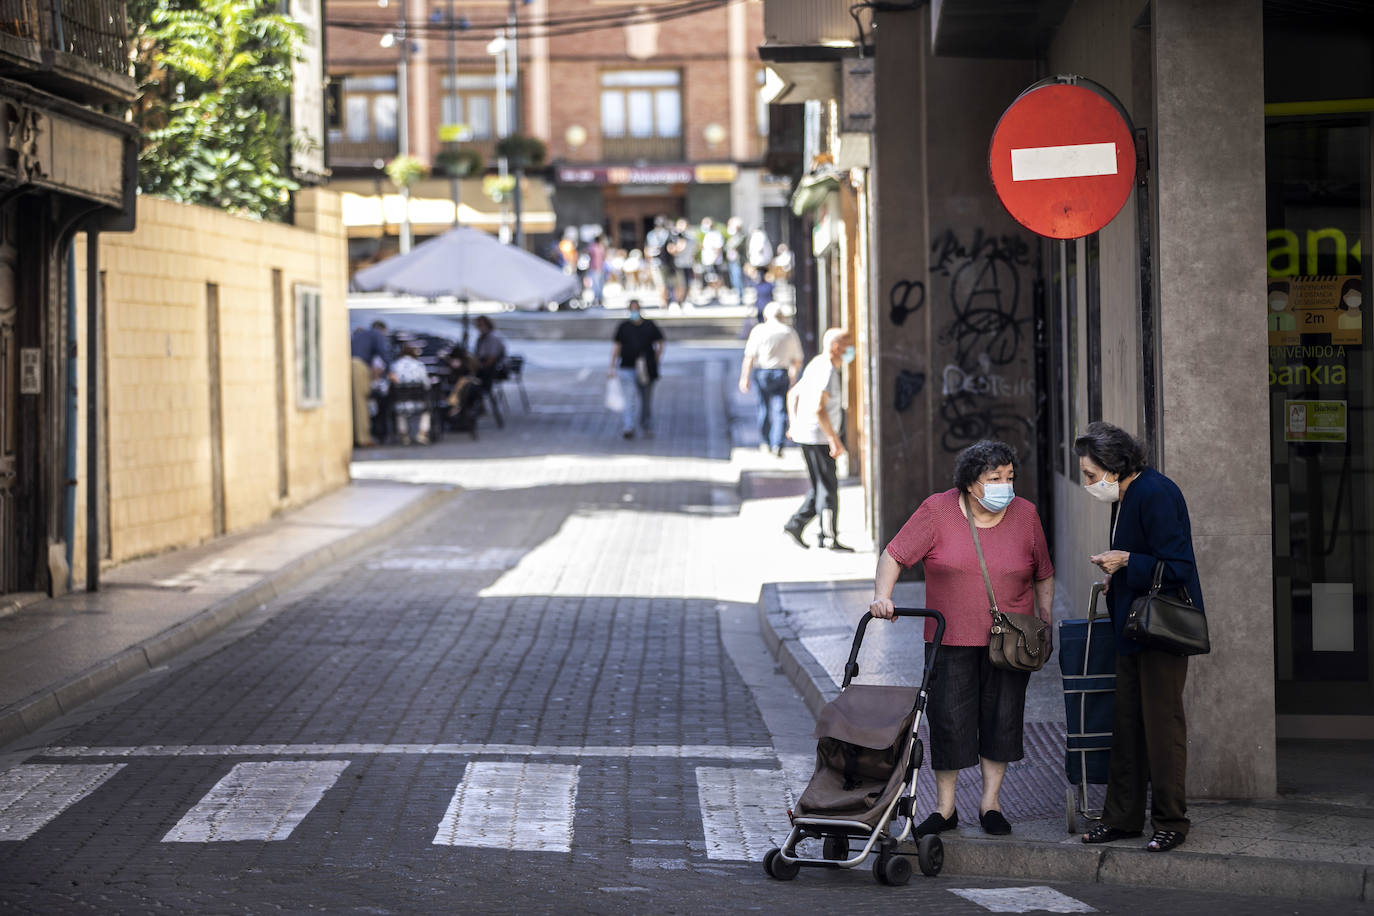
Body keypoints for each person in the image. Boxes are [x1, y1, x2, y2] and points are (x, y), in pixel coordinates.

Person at [869, 439, 1054, 838]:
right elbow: (895, 554)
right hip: (948, 639)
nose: (1005, 485)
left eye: (1009, 477)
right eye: (994, 478)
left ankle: (991, 805)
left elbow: (1043, 571)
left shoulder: (1025, 515)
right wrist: (883, 596)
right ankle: (946, 808)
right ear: (971, 483)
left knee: (1002, 719)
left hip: (1010, 641)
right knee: (949, 722)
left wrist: (1046, 618)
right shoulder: (937, 511)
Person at [1076, 421, 1202, 853]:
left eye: (1091, 474)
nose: (1089, 483)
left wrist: (1127, 560)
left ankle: (1171, 821)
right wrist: (1120, 576)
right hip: (1133, 626)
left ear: (1114, 465)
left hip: (1160, 631)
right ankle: (1123, 818)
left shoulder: (1155, 492)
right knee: (1127, 723)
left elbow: (1179, 565)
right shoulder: (1127, 495)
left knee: (1162, 726)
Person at [784, 328, 853, 550]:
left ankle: (796, 524)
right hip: (819, 437)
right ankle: (828, 536)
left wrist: (794, 424)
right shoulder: (828, 372)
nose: (851, 350)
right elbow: (819, 409)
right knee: (828, 488)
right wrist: (834, 439)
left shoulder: (816, 364)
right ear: (836, 347)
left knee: (820, 486)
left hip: (807, 434)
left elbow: (793, 394)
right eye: (847, 345)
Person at [739, 303, 802, 457]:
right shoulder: (789, 332)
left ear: (766, 316)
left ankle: (766, 441)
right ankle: (778, 443)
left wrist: (744, 378)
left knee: (764, 408)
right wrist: (793, 376)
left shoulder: (759, 331)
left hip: (763, 373)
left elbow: (749, 357)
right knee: (781, 409)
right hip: (781, 372)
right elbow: (798, 359)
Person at [609, 299, 665, 439]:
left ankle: (646, 426)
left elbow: (660, 343)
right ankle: (629, 426)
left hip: (646, 369)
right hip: (627, 367)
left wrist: (655, 361)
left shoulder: (649, 325)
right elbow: (617, 346)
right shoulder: (624, 327)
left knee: (646, 399)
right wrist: (612, 366)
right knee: (629, 399)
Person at [350, 320, 390, 447]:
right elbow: (383, 352)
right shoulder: (377, 334)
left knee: (354, 403)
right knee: (361, 403)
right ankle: (363, 438)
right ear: (382, 330)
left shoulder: (362, 335)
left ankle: (356, 436)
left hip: (350, 364)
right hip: (358, 366)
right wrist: (390, 371)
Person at [388, 343, 432, 445]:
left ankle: (404, 436)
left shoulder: (395, 365)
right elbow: (426, 384)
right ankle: (422, 434)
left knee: (400, 413)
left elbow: (389, 385)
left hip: (400, 402)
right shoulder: (419, 365)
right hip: (418, 401)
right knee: (426, 412)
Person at [473, 316, 508, 391]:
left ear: (488, 324)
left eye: (481, 325)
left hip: (493, 369)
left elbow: (492, 358)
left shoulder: (493, 337)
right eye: (478, 326)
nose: (480, 328)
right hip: (485, 365)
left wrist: (479, 367)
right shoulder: (481, 338)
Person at [724, 217, 746, 300]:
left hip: (737, 261)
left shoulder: (741, 237)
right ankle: (737, 294)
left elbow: (736, 246)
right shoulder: (731, 237)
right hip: (731, 260)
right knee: (733, 278)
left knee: (737, 278)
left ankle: (740, 296)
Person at [587, 234, 607, 307]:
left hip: (595, 268)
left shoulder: (592, 247)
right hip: (600, 268)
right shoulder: (601, 247)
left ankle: (597, 299)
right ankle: (599, 299)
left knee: (596, 285)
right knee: (599, 285)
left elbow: (589, 255)